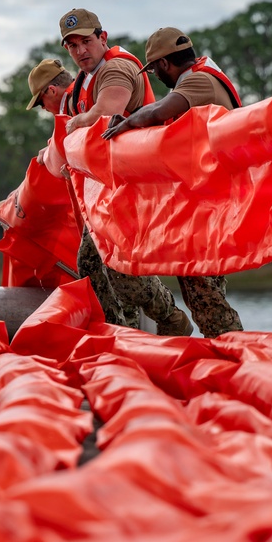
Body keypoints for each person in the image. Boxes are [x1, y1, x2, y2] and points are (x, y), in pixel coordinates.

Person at [57, 8, 193, 336]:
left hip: (134, 187)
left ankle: (169, 319)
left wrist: (75, 124)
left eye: (86, 41)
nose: (80, 51)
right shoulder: (86, 79)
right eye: (72, 46)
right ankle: (121, 333)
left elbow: (105, 114)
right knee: (91, 264)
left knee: (120, 270)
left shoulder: (116, 68)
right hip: (109, 188)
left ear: (102, 38)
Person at [103, 27, 245, 338]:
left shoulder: (198, 80)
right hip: (207, 204)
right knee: (202, 290)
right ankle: (224, 347)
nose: (155, 76)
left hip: (211, 208)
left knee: (204, 293)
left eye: (154, 70)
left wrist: (127, 123)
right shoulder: (201, 76)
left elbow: (159, 111)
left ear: (164, 64)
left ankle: (232, 349)